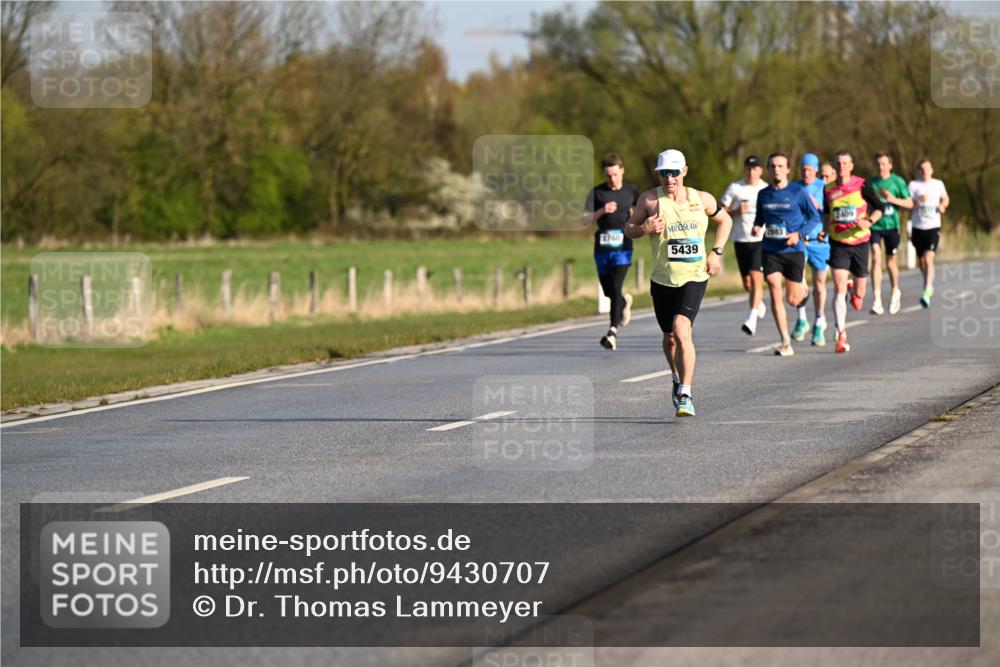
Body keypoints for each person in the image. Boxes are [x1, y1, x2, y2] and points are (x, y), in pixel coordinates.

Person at [625, 149, 733, 417]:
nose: (669, 178)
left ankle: (685, 393)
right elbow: (629, 228)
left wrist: (717, 252)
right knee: (669, 337)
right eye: (664, 173)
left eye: (673, 172)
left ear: (684, 171)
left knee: (681, 329)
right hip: (663, 278)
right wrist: (644, 229)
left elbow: (725, 220)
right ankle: (675, 377)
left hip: (694, 276)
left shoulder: (702, 198)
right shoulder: (649, 200)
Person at [752, 152, 820, 356]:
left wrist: (798, 234)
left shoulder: (798, 192)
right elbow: (760, 218)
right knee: (774, 288)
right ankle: (785, 341)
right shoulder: (763, 194)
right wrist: (757, 227)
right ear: (769, 169)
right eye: (772, 166)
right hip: (770, 249)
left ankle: (804, 291)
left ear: (788, 169)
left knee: (793, 299)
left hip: (793, 250)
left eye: (780, 166)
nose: (776, 169)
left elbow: (814, 217)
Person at [824, 150, 885, 353]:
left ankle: (855, 291)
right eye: (838, 163)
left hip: (860, 242)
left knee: (859, 295)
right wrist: (824, 230)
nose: (841, 166)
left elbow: (879, 207)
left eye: (845, 163)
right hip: (838, 243)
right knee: (838, 288)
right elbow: (826, 214)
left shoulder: (861, 185)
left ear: (851, 166)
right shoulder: (828, 189)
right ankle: (841, 334)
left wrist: (869, 221)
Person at [582, 154, 641, 350]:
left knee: (615, 287)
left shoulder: (632, 191)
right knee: (610, 292)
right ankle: (624, 301)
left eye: (615, 174)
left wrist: (636, 215)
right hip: (602, 248)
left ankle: (612, 332)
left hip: (623, 248)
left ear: (622, 170)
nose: (612, 179)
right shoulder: (597, 193)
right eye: (608, 176)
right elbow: (583, 220)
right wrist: (601, 211)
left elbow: (646, 210)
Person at [719, 155, 769, 335]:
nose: (751, 172)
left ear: (761, 171)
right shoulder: (735, 187)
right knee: (747, 283)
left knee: (757, 278)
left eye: (755, 169)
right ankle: (758, 302)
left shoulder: (766, 189)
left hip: (760, 240)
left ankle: (752, 319)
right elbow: (720, 212)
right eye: (748, 168)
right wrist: (736, 211)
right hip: (740, 239)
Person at [793, 153, 831, 346]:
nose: (806, 172)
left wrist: (820, 211)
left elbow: (831, 213)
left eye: (809, 169)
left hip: (819, 240)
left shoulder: (824, 188)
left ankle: (819, 321)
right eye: (803, 169)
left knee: (819, 284)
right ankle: (801, 319)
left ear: (816, 170)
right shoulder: (795, 188)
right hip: (800, 241)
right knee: (798, 282)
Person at [868, 152, 913, 315]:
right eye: (878, 164)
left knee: (890, 262)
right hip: (875, 226)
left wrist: (893, 199)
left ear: (890, 165)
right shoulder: (871, 183)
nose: (881, 167)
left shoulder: (897, 181)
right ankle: (877, 299)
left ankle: (895, 291)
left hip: (892, 226)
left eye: (884, 164)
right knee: (875, 257)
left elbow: (909, 203)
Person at [908, 159, 950, 308]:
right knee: (922, 261)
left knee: (929, 258)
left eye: (927, 168)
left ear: (932, 170)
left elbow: (945, 198)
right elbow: (908, 204)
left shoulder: (938, 184)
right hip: (918, 227)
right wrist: (918, 200)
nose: (925, 171)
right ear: (918, 171)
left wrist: (942, 205)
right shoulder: (913, 185)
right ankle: (927, 283)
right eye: (922, 169)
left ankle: (927, 290)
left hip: (933, 226)